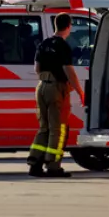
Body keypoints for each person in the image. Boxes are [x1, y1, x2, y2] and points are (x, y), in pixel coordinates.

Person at [28, 13, 83, 177]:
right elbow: (69, 71)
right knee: (57, 129)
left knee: (44, 127)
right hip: (55, 89)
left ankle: (35, 162)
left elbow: (37, 69)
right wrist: (80, 92)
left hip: (41, 87)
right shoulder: (63, 46)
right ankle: (53, 165)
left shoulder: (44, 43)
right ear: (68, 26)